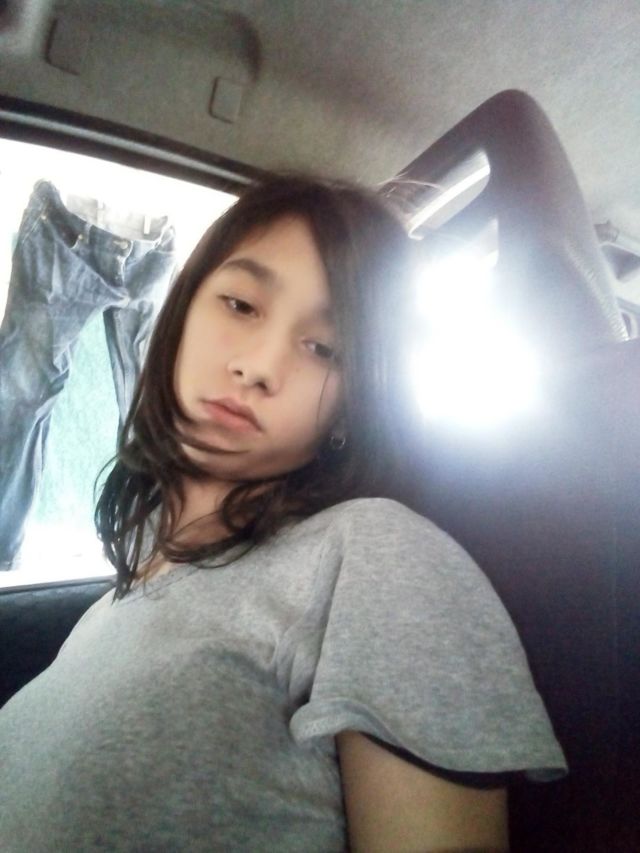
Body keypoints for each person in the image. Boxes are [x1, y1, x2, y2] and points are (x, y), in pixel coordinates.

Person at [0, 175, 567, 852]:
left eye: (324, 348)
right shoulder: (128, 587)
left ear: (350, 407)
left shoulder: (376, 553)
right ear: (181, 313)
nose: (259, 365)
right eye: (241, 304)